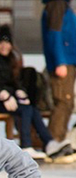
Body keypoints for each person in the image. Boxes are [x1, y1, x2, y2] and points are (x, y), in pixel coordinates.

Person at [0, 25, 73, 161]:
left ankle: (49, 142)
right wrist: (3, 95)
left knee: (32, 109)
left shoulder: (12, 60)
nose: (4, 46)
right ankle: (26, 146)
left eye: (6, 43)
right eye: (1, 43)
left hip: (10, 98)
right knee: (25, 110)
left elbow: (14, 82)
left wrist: (19, 91)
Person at [41, 0, 76, 152]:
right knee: (63, 101)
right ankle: (54, 141)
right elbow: (54, 34)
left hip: (69, 59)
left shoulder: (63, 5)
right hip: (64, 61)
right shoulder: (57, 4)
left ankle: (61, 140)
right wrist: (59, 61)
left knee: (67, 102)